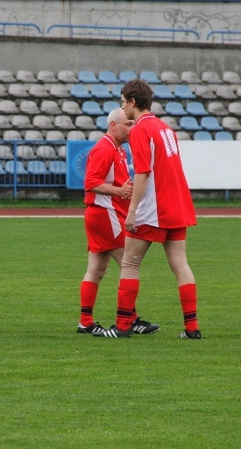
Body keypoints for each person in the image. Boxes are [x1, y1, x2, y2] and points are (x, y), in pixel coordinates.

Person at [98, 79, 201, 339]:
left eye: (123, 102)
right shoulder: (166, 128)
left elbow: (143, 172)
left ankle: (122, 327)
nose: (122, 107)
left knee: (130, 264)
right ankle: (192, 329)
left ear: (133, 102)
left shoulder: (141, 129)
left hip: (154, 207)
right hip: (178, 205)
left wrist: (132, 211)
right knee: (180, 264)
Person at [78, 108, 159, 336]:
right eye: (128, 124)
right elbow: (90, 183)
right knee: (129, 262)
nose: (131, 129)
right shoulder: (104, 148)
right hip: (106, 214)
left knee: (97, 269)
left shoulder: (116, 148)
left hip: (103, 214)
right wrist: (119, 191)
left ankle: (85, 321)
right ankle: (129, 319)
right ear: (114, 125)